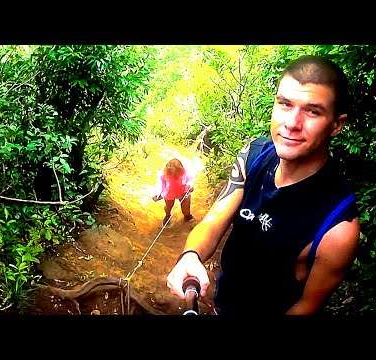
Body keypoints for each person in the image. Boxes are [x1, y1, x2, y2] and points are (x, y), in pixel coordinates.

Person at [166, 55, 360, 315]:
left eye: (313, 111)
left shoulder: (338, 226)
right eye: (285, 104)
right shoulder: (255, 155)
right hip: (221, 303)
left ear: (336, 125)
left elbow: (306, 306)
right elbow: (214, 221)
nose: (292, 123)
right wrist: (190, 255)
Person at [152, 158, 195, 226]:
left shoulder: (185, 172)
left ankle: (187, 216)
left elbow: (190, 179)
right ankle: (167, 215)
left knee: (186, 208)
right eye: (171, 173)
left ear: (181, 169)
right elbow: (161, 184)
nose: (174, 175)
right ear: (167, 171)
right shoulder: (164, 175)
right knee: (168, 206)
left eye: (176, 173)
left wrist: (190, 185)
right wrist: (158, 193)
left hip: (184, 191)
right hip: (170, 193)